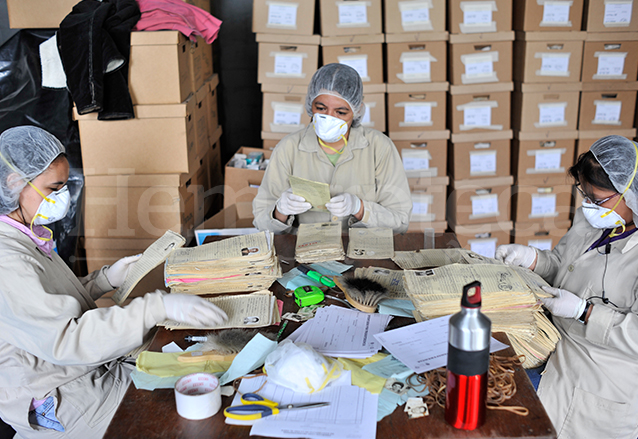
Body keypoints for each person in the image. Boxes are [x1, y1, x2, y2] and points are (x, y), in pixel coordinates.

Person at [0, 126, 228, 438]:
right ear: (14, 183)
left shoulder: (23, 235)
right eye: (53, 188)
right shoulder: (7, 259)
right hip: (64, 396)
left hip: (81, 369)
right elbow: (69, 339)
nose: (61, 198)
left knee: (194, 364)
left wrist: (104, 278)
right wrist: (154, 307)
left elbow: (48, 299)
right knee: (180, 415)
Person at [495, 135, 638, 439]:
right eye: (583, 195)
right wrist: (533, 259)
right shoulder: (595, 220)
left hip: (599, 375)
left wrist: (584, 312)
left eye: (596, 199)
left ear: (632, 193)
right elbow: (564, 264)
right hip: (554, 343)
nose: (588, 205)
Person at [252, 63, 412, 234]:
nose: (329, 118)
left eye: (341, 112)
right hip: (304, 253)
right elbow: (261, 221)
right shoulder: (288, 148)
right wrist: (280, 211)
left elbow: (400, 221)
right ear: (310, 105)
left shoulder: (379, 148)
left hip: (362, 252)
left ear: (356, 111)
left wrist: (360, 208)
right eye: (320, 108)